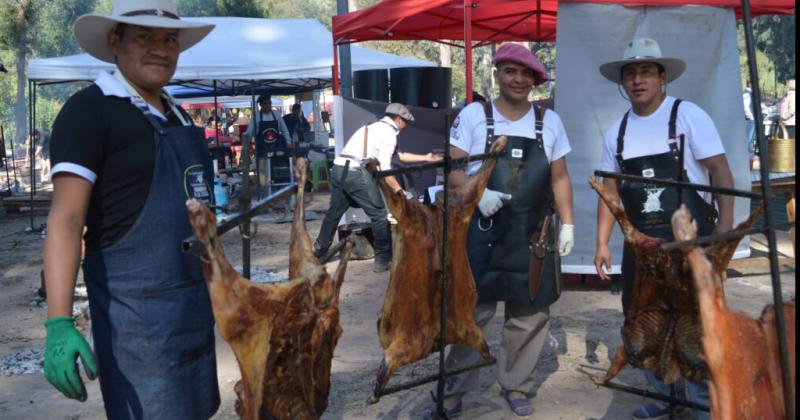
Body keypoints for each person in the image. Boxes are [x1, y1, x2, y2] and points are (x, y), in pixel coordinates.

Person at [42, 1, 219, 418]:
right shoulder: (90, 111)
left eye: (169, 39)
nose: (160, 49)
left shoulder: (179, 117)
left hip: (192, 312)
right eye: (144, 37)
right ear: (114, 42)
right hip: (135, 322)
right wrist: (58, 322)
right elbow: (66, 221)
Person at [424, 43, 575, 419]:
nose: (519, 80)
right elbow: (453, 168)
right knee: (471, 314)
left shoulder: (548, 121)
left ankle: (516, 384)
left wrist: (569, 224)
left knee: (529, 314)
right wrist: (477, 194)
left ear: (535, 80)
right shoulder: (476, 115)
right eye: (511, 71)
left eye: (527, 74)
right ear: (498, 74)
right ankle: (455, 392)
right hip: (482, 230)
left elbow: (560, 177)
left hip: (533, 232)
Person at [594, 38, 734, 420]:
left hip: (691, 242)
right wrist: (602, 242)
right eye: (630, 74)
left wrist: (724, 228)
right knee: (644, 318)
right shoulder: (617, 132)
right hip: (642, 247)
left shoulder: (687, 116)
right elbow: (610, 192)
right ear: (622, 83)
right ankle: (662, 395)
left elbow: (720, 170)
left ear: (661, 78)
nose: (637, 80)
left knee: (695, 321)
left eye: (645, 72)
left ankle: (703, 402)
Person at [313, 103, 437, 272]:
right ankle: (383, 260)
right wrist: (399, 190)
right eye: (406, 122)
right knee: (379, 215)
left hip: (339, 168)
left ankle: (318, 252)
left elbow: (398, 156)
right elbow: (386, 168)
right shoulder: (389, 134)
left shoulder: (373, 127)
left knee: (334, 213)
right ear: (399, 119)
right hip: (354, 172)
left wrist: (426, 157)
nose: (406, 126)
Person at [246, 94, 292, 189]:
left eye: (269, 103)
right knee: (264, 175)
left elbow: (284, 130)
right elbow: (249, 133)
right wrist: (247, 146)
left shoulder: (276, 114)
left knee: (279, 172)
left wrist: (289, 142)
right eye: (265, 104)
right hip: (263, 150)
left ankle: (280, 192)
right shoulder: (256, 117)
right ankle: (265, 194)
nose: (268, 106)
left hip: (277, 148)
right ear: (261, 105)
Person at [743, 80, 756, 154]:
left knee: (751, 139)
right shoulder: (747, 94)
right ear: (750, 84)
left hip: (750, 120)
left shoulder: (750, 93)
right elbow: (746, 108)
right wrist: (751, 117)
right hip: (749, 120)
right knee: (749, 139)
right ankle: (750, 154)